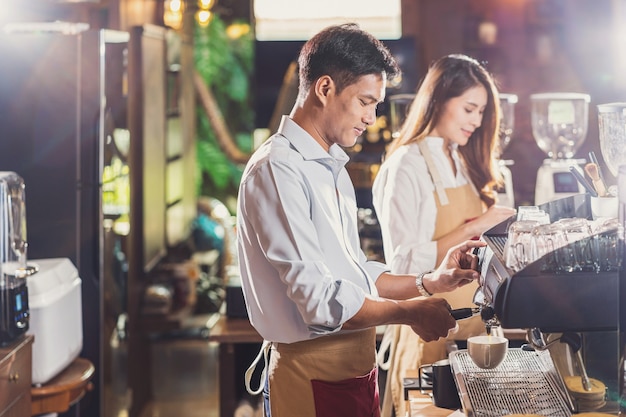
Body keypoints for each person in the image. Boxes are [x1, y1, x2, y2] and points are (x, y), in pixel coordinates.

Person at [237, 25, 486, 417]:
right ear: (324, 88)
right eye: (365, 102)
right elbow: (320, 303)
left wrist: (428, 281)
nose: (372, 118)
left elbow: (354, 278)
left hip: (353, 371)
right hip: (311, 376)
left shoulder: (330, 164)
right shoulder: (278, 170)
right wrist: (409, 312)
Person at [372, 54, 516, 416]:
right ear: (438, 100)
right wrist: (473, 227)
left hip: (475, 335)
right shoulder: (406, 164)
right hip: (428, 335)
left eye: (481, 112)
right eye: (469, 108)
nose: (476, 121)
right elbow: (402, 263)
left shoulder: (463, 161)